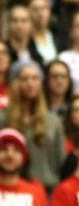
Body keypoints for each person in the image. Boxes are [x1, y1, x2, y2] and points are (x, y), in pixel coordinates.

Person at [0, 62, 65, 190]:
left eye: (35, 78)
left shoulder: (53, 121)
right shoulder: (2, 118)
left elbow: (61, 160)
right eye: (24, 79)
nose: (30, 84)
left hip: (48, 187)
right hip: (9, 187)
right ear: (14, 83)